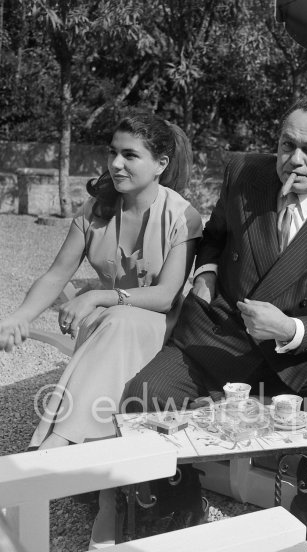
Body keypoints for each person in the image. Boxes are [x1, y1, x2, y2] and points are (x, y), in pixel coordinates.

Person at [123, 96, 307, 535]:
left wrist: (290, 328)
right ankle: (175, 494)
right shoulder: (245, 173)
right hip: (216, 333)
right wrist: (205, 272)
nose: (293, 160)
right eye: (286, 145)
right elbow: (217, 234)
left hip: (293, 358)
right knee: (142, 394)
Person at [0, 111, 202, 548]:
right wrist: (20, 316)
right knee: (113, 330)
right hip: (107, 329)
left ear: (161, 163)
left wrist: (97, 295)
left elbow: (166, 296)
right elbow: (56, 275)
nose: (115, 164)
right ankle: (109, 505)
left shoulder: (183, 216)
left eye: (130, 155)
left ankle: (52, 449)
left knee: (121, 322)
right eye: (113, 152)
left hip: (156, 327)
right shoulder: (97, 208)